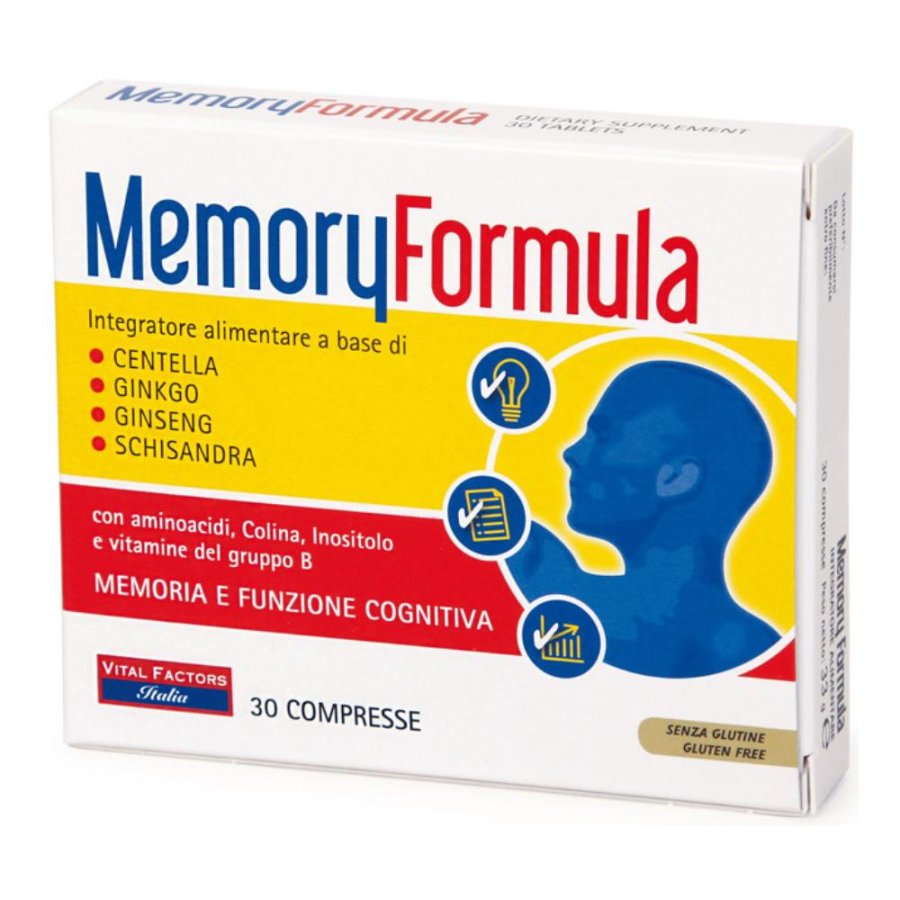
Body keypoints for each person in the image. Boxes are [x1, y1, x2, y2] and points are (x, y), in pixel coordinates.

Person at [508, 360, 779, 677]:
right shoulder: (758, 649)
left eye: (603, 436)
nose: (572, 453)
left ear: (676, 478)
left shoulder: (537, 574)